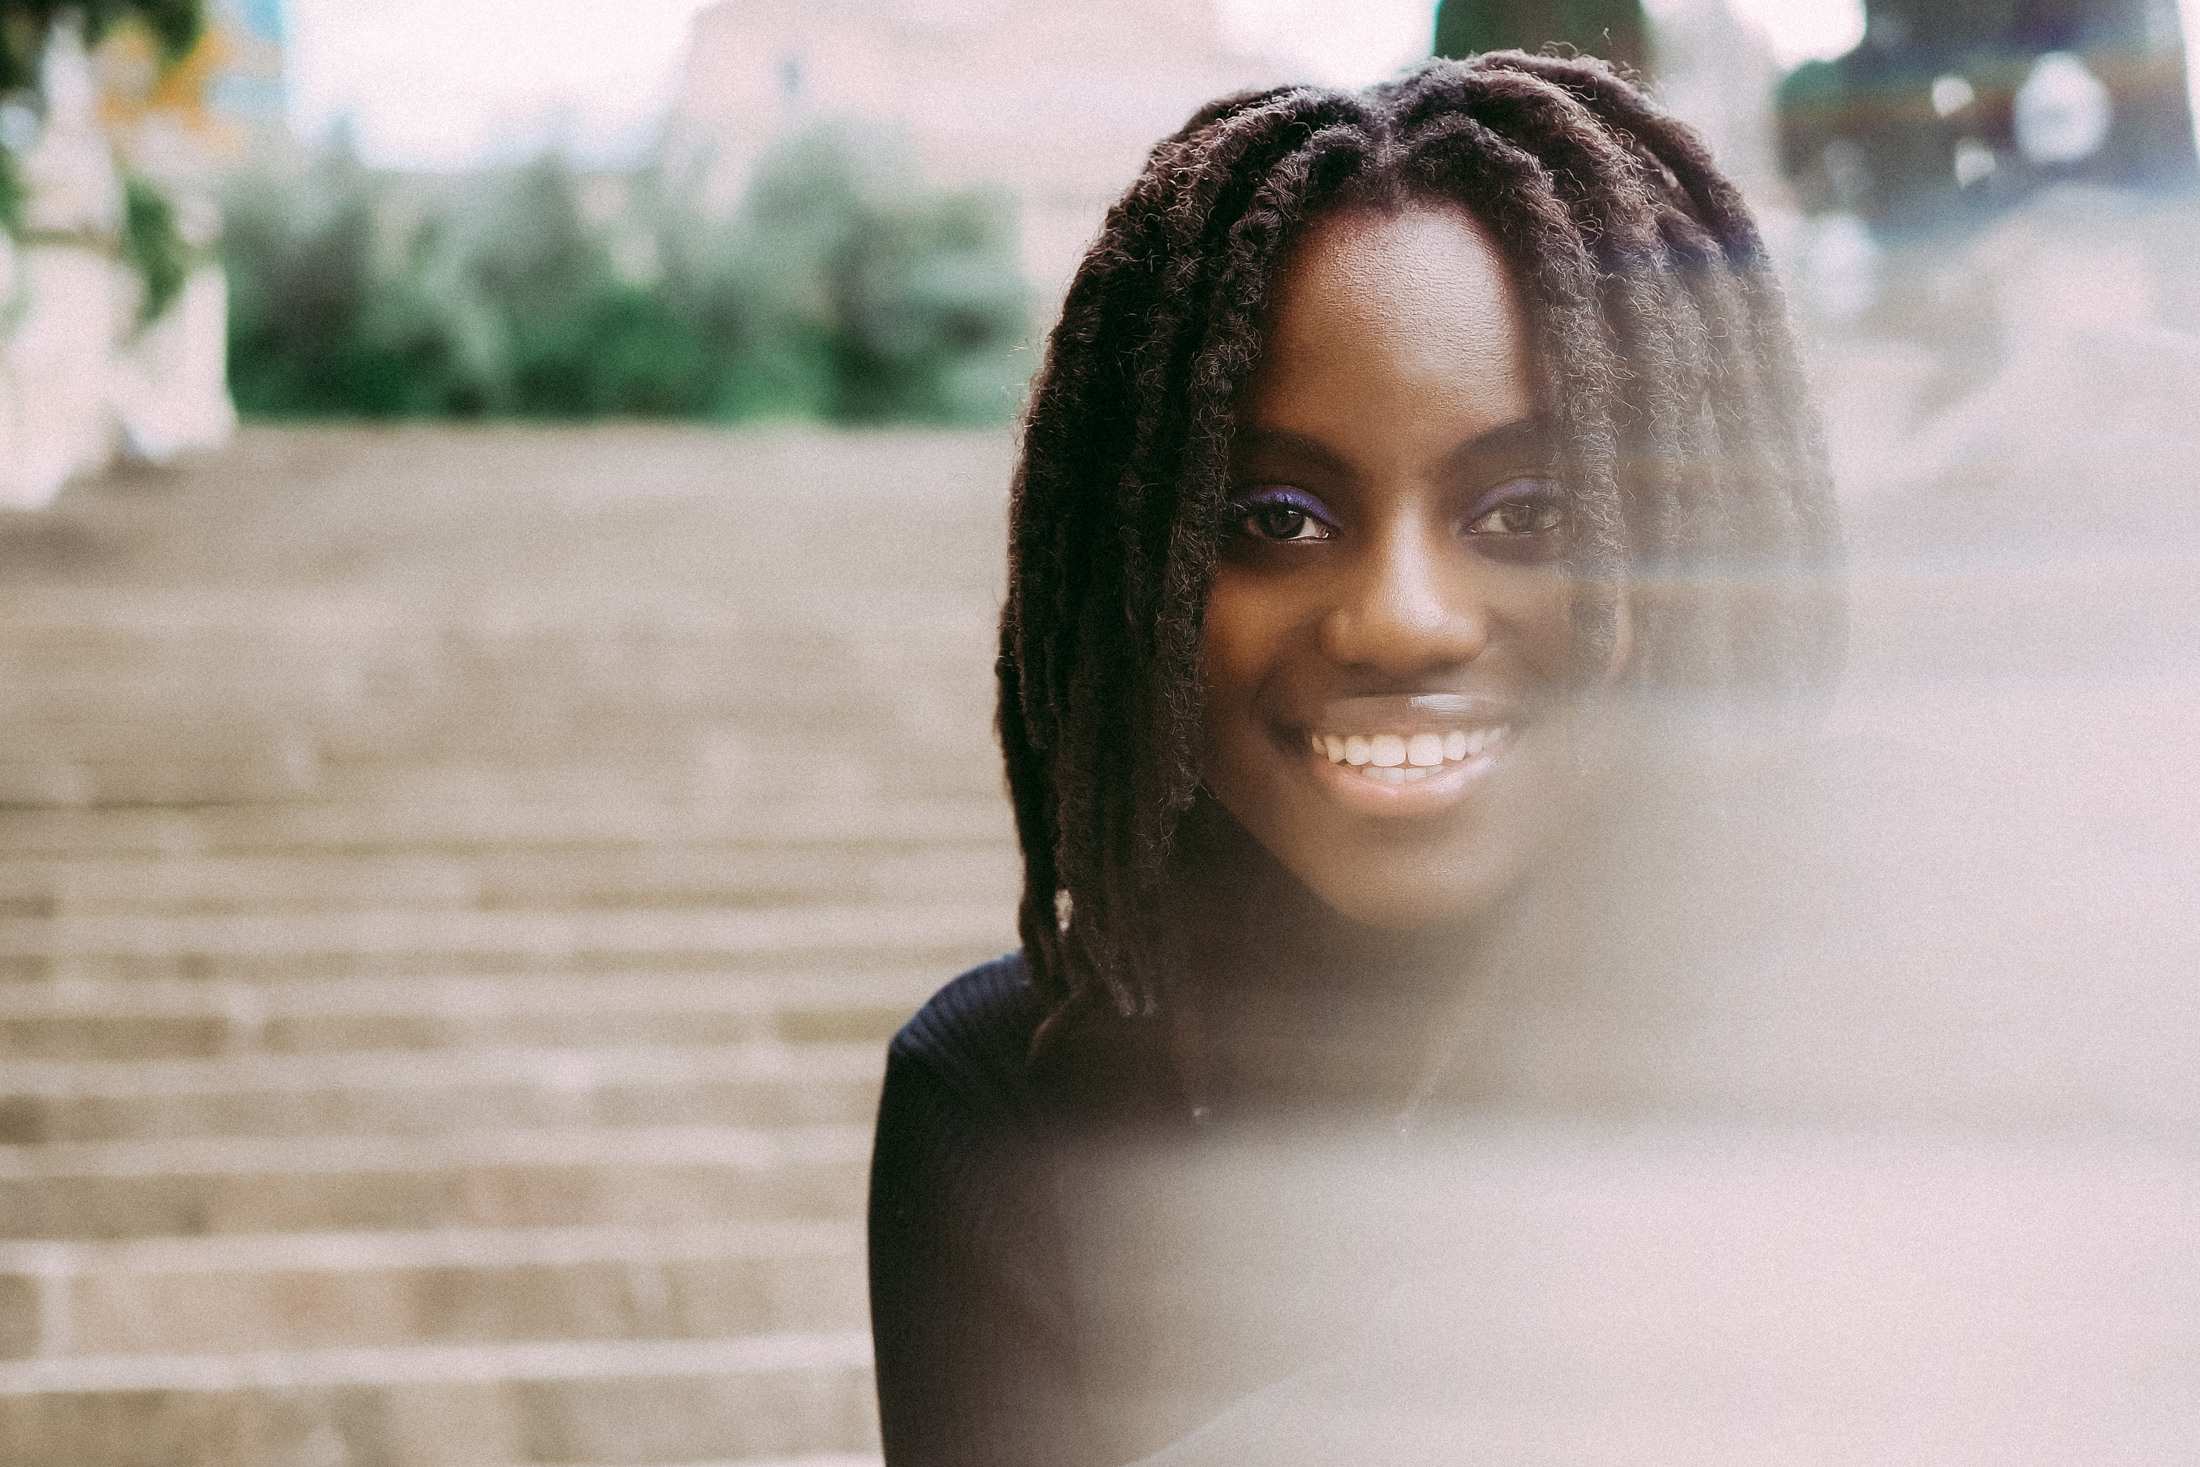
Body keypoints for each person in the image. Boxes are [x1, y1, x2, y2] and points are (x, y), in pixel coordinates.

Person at [866, 51, 1840, 1467]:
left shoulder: (1845, 1049)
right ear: (1134, 568)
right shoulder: (1006, 1100)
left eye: (1526, 511)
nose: (1401, 620)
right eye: (1277, 515)